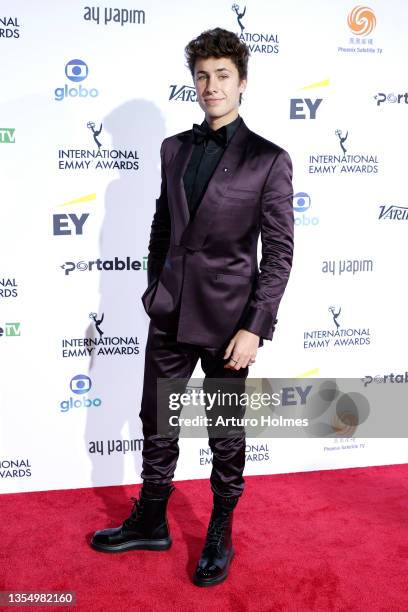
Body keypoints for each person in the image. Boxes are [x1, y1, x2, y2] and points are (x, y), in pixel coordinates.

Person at [91, 27, 294, 587]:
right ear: (194, 83)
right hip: (171, 311)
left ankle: (220, 531)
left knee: (225, 433)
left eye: (222, 75)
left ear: (242, 82)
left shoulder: (269, 160)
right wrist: (156, 286)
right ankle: (152, 519)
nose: (211, 86)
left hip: (231, 322)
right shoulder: (174, 147)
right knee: (157, 420)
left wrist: (256, 326)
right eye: (202, 76)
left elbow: (278, 253)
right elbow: (162, 223)